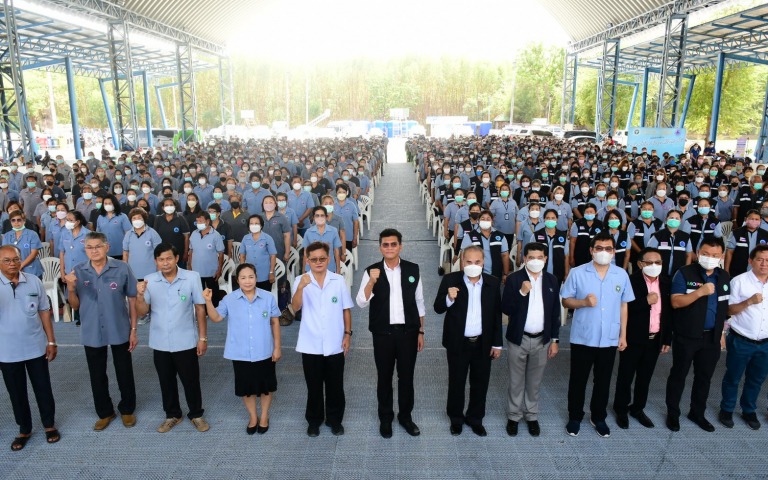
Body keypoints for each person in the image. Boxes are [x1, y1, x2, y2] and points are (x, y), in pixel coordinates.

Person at [64, 232, 138, 431]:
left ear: (106, 247)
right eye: (89, 247)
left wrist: (133, 330)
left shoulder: (122, 268)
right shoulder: (78, 271)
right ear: (85, 249)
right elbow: (75, 306)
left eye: (98, 246)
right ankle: (105, 412)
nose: (94, 250)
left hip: (119, 327)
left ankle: (127, 409)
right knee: (97, 374)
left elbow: (132, 300)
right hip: (91, 329)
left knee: (124, 370)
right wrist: (71, 288)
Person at [562, 232, 634, 438]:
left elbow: (623, 305)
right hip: (583, 336)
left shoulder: (621, 274)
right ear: (591, 250)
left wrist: (623, 335)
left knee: (602, 380)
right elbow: (565, 300)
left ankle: (598, 416)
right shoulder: (577, 272)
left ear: (614, 252)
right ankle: (575, 416)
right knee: (578, 379)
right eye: (599, 248)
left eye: (608, 249)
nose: (604, 252)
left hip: (609, 338)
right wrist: (583, 303)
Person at [356, 229, 425, 438]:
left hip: (408, 333)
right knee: (384, 377)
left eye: (393, 244)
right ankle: (385, 417)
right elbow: (361, 302)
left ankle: (405, 416)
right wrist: (371, 282)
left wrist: (421, 331)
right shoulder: (372, 271)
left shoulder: (413, 270)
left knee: (406, 377)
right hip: (383, 334)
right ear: (380, 247)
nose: (389, 248)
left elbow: (419, 303)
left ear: (400, 246)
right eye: (385, 245)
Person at [136, 243, 210, 433]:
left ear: (177, 258)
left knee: (191, 380)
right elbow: (142, 312)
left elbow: (200, 309)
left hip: (186, 339)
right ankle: (172, 415)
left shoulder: (191, 277)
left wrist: (203, 338)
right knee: (165, 380)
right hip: (160, 341)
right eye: (161, 259)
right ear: (156, 261)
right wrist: (140, 295)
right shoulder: (149, 280)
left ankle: (196, 414)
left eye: (169, 258)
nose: (165, 263)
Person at [202, 263, 281, 435]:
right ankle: (253, 417)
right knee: (247, 389)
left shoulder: (268, 297)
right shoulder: (229, 300)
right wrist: (208, 301)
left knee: (266, 387)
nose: (247, 281)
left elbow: (275, 322)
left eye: (251, 277)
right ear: (238, 280)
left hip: (265, 351)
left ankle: (264, 416)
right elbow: (216, 317)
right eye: (243, 278)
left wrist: (277, 347)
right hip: (241, 352)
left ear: (256, 277)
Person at [434, 245, 503, 436]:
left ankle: (475, 418)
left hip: (483, 342)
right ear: (462, 262)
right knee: (456, 382)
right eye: (469, 262)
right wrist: (449, 297)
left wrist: (497, 343)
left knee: (480, 383)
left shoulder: (493, 283)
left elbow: (496, 315)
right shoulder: (450, 280)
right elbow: (438, 308)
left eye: (477, 262)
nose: (473, 265)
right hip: (458, 343)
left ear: (483, 263)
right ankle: (455, 419)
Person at [666, 237, 730, 432]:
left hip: (712, 337)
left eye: (715, 255)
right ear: (697, 253)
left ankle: (697, 413)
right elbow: (676, 302)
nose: (710, 258)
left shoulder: (724, 277)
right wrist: (699, 292)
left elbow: (723, 307)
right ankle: (673, 414)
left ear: (722, 256)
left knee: (704, 377)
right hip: (687, 335)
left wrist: (721, 332)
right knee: (679, 375)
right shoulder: (684, 273)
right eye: (706, 254)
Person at [0, 245, 59, 451]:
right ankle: (24, 429)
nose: (12, 264)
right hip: (6, 351)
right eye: (6, 260)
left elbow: (44, 311)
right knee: (16, 392)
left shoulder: (33, 281)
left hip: (35, 346)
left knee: (43, 388)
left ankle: (49, 425)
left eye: (15, 259)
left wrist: (51, 341)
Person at [291, 241, 353, 437]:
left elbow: (346, 309)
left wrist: (347, 334)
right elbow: (295, 307)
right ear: (307, 260)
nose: (318, 262)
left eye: (322, 259)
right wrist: (300, 287)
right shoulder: (301, 279)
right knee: (314, 386)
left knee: (336, 386)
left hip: (335, 342)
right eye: (314, 259)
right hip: (310, 343)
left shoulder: (338, 280)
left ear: (328, 259)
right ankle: (314, 421)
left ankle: (335, 420)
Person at [500, 242, 560, 437]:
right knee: (516, 381)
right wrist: (521, 293)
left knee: (534, 382)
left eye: (539, 257)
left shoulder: (551, 281)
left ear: (546, 259)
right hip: (519, 339)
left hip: (542, 340)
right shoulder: (514, 279)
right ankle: (514, 416)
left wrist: (555, 340)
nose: (535, 261)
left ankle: (532, 416)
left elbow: (555, 313)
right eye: (531, 257)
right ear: (524, 259)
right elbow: (506, 308)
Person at [613, 247, 671, 429]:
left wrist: (667, 339)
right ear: (640, 264)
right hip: (633, 337)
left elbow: (669, 313)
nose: (654, 266)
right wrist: (644, 301)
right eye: (650, 262)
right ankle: (621, 409)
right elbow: (622, 309)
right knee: (626, 375)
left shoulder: (666, 282)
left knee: (645, 377)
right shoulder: (630, 281)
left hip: (655, 338)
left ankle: (638, 408)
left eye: (658, 262)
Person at [718, 244, 768, 430]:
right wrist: (748, 302)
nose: (764, 264)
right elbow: (728, 310)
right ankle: (727, 409)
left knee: (756, 379)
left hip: (765, 343)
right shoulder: (738, 281)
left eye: (767, 260)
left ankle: (749, 410)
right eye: (760, 259)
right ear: (750, 261)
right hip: (741, 339)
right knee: (733, 377)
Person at [188, 212, 225, 306]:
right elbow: (191, 251)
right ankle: (202, 311)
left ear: (208, 221)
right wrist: (189, 265)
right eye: (197, 221)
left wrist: (219, 269)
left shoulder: (215, 235)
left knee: (214, 293)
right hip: (196, 270)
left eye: (201, 220)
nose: (198, 223)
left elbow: (221, 253)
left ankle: (215, 310)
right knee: (199, 293)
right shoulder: (194, 234)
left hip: (211, 271)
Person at [240, 215, 277, 292]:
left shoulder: (268, 238)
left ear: (261, 225)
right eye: (251, 223)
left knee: (264, 298)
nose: (254, 225)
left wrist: (271, 272)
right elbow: (242, 256)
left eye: (256, 223)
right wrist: (242, 272)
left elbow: (273, 256)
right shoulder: (245, 238)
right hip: (249, 275)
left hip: (265, 274)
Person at [1, 210, 43, 279]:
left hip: (32, 270)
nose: (16, 222)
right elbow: (5, 254)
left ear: (24, 221)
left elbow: (34, 253)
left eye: (19, 220)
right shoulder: (6, 236)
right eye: (13, 220)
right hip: (13, 271)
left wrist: (20, 266)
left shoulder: (32, 234)